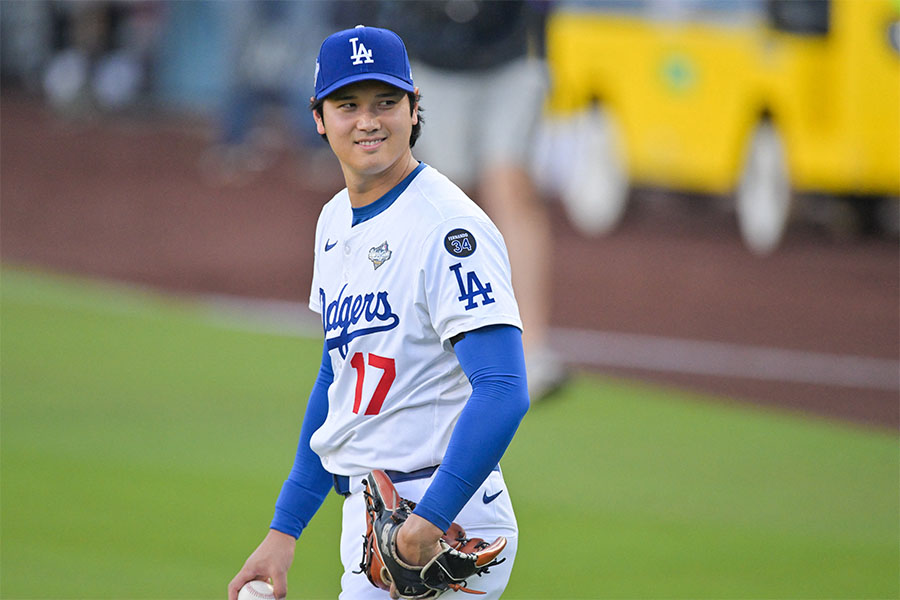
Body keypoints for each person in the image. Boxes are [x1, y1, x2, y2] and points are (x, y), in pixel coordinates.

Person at [227, 25, 530, 600]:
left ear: (415, 110)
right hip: (374, 514)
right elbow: (335, 382)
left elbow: (503, 387)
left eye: (386, 102)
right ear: (319, 117)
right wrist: (283, 530)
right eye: (348, 105)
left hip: (446, 522)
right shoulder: (333, 221)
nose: (368, 120)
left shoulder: (448, 228)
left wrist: (430, 518)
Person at [375, 0, 568, 402]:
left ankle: (531, 348)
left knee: (510, 186)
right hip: (431, 57)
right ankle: (431, 345)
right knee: (440, 199)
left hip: (510, 52)